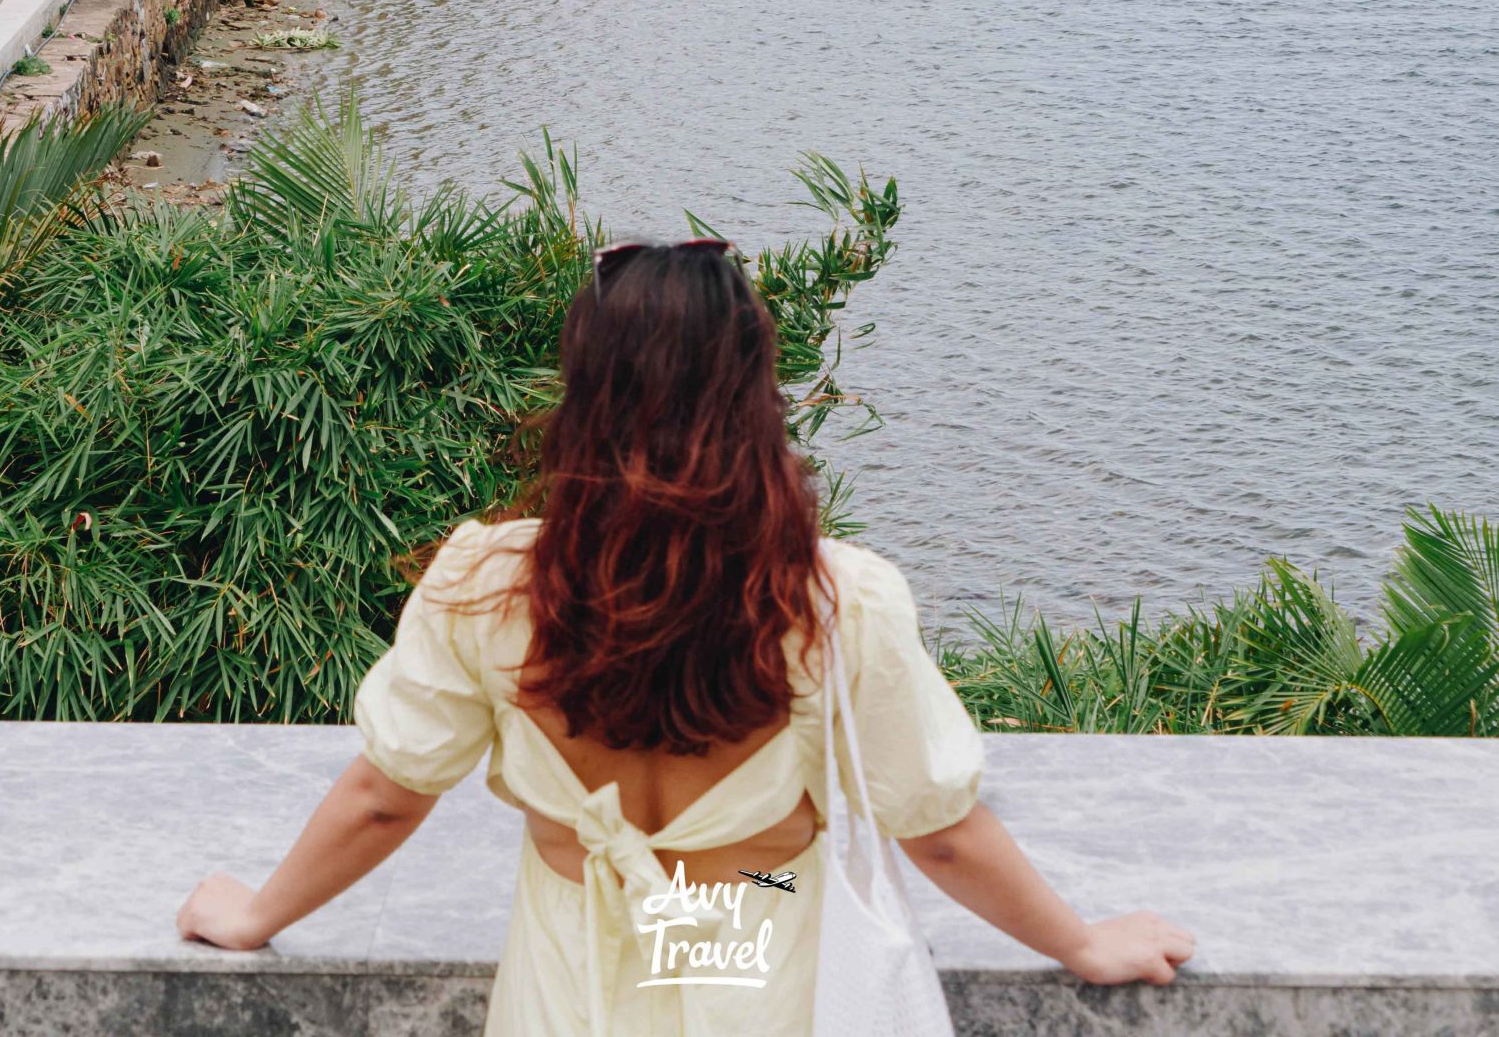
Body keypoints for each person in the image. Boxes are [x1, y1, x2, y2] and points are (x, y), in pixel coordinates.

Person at [177, 244, 1194, 1034]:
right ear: (755, 397)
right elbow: (936, 828)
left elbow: (383, 796)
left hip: (569, 970)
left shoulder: (484, 584)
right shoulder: (834, 597)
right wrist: (1082, 942)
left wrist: (257, 914)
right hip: (762, 948)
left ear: (583, 393)